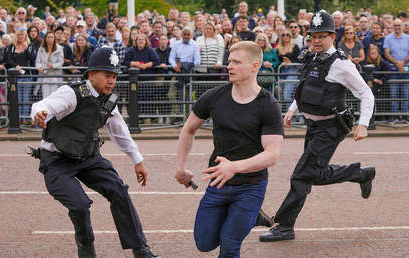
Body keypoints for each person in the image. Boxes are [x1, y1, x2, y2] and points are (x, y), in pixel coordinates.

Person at [30, 46, 160, 258]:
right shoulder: (71, 94)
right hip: (56, 162)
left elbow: (120, 133)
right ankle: (86, 251)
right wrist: (39, 115)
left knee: (118, 190)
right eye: (107, 75)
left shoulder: (109, 102)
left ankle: (140, 249)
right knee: (80, 205)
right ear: (91, 75)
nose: (112, 81)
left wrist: (138, 160)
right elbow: (43, 105)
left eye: (115, 76)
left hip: (89, 158)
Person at [259, 10, 376, 242]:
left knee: (301, 176)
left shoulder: (342, 65)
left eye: (322, 36)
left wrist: (363, 125)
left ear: (332, 36)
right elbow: (305, 89)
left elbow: (366, 93)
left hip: (331, 128)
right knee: (314, 173)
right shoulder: (312, 58)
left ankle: (284, 225)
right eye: (313, 36)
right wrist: (292, 109)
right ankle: (361, 174)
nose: (317, 40)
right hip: (313, 126)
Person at [175, 41, 283, 258]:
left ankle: (248, 215)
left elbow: (272, 153)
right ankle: (253, 218)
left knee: (229, 244)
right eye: (229, 61)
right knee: (204, 243)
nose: (229, 66)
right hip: (218, 182)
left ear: (254, 67)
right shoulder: (214, 96)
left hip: (251, 186)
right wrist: (180, 168)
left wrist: (234, 167)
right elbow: (188, 129)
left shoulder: (268, 105)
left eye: (236, 62)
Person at [384, 19, 409, 123]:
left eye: (399, 25)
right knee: (394, 94)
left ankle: (405, 116)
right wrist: (397, 63)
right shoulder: (388, 38)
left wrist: (403, 62)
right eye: (395, 25)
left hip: (405, 70)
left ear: (402, 26)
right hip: (393, 70)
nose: (397, 27)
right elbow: (387, 53)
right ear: (393, 26)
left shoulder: (408, 37)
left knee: (405, 94)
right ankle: (394, 116)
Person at [34, 31, 64, 99]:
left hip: (55, 75)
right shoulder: (41, 49)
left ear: (54, 38)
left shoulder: (59, 48)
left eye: (52, 37)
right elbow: (37, 61)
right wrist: (39, 67)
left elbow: (61, 62)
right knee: (45, 96)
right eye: (48, 37)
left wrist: (52, 65)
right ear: (45, 39)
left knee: (54, 96)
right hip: (44, 75)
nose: (50, 38)